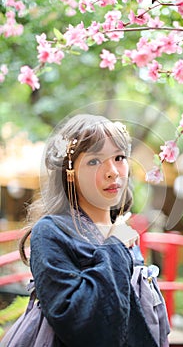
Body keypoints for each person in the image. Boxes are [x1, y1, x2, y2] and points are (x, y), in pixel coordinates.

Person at [19, 114, 170, 347]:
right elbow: (82, 326)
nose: (112, 171)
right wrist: (115, 246)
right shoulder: (50, 233)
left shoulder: (120, 230)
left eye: (119, 157)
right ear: (70, 173)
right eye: (94, 161)